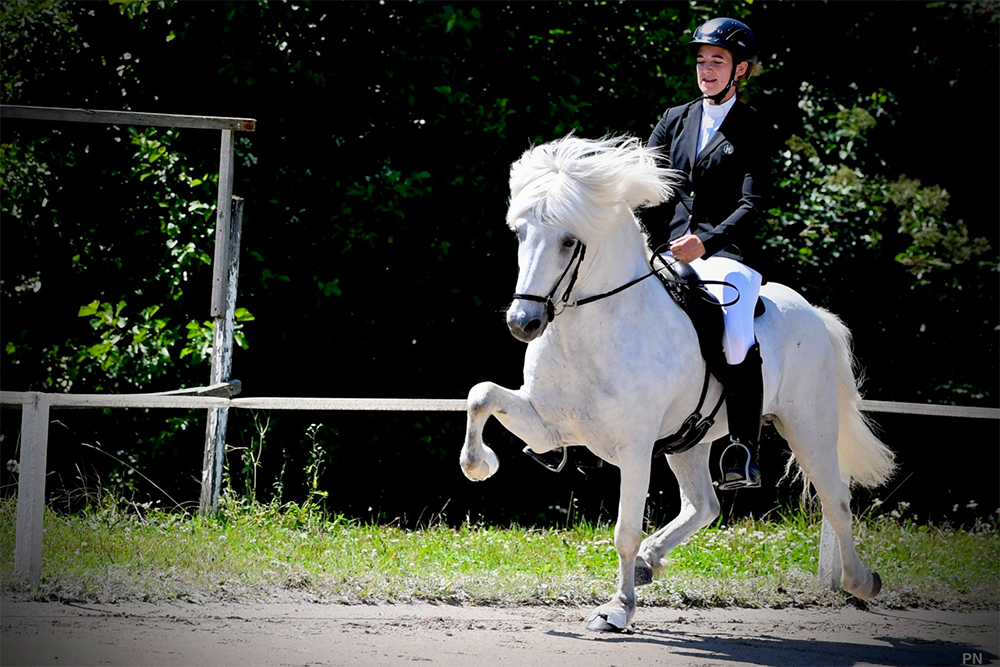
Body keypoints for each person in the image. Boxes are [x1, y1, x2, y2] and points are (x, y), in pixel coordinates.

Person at [645, 17, 772, 490]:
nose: (706, 69)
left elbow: (752, 202)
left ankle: (743, 448)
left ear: (741, 69)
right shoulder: (674, 118)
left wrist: (708, 241)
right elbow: (649, 183)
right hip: (666, 248)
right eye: (701, 61)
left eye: (717, 61)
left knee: (736, 335)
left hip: (724, 253)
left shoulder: (753, 127)